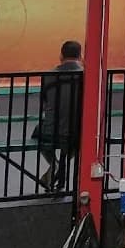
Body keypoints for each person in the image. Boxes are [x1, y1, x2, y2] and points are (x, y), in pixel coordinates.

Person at [33, 40, 83, 191]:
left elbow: (45, 102)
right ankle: (63, 164)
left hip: (51, 132)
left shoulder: (48, 76)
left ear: (61, 56)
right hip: (76, 132)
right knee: (77, 141)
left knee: (37, 132)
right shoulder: (86, 76)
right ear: (80, 56)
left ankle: (54, 165)